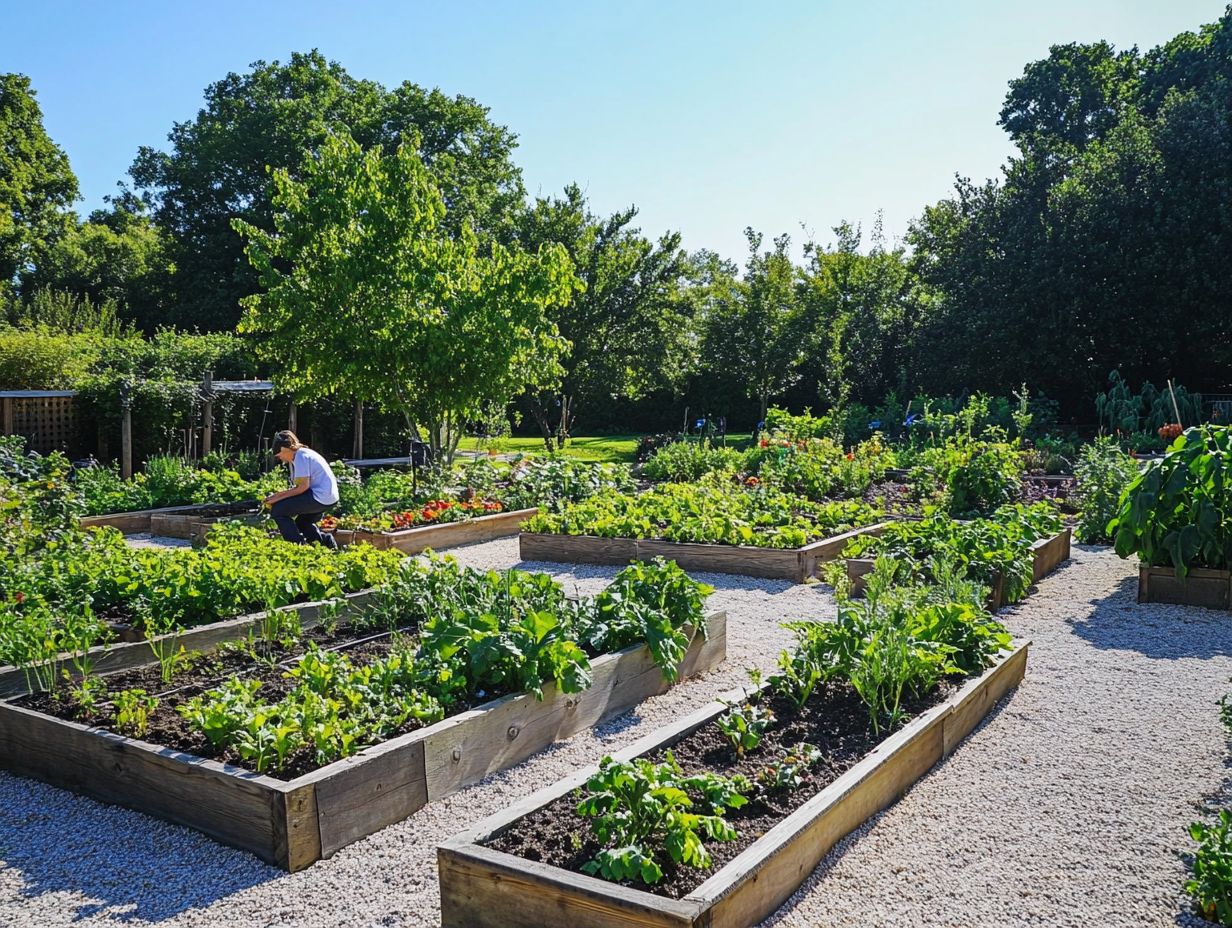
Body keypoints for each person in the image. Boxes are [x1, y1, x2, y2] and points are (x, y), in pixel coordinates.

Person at [265, 430, 339, 548]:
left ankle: (297, 546)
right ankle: (324, 543)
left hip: (320, 496)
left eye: (279, 456)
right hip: (328, 497)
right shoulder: (300, 455)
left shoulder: (301, 457)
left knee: (278, 510)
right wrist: (277, 496)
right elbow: (300, 487)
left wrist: (277, 499)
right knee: (303, 522)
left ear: (284, 449)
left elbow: (302, 488)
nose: (280, 459)